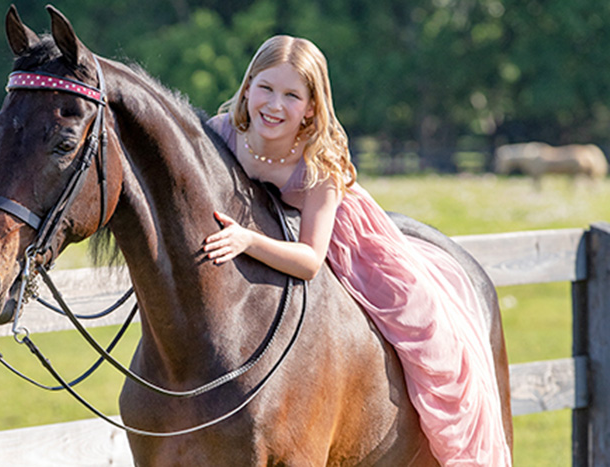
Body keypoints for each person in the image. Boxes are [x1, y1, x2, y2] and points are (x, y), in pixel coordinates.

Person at [203, 35, 512, 466]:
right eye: (266, 89)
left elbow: (311, 261)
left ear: (312, 106)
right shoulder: (221, 136)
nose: (274, 105)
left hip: (348, 239)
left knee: (419, 327)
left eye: (292, 95)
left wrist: (249, 240)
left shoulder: (318, 163)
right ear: (248, 86)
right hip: (272, 224)